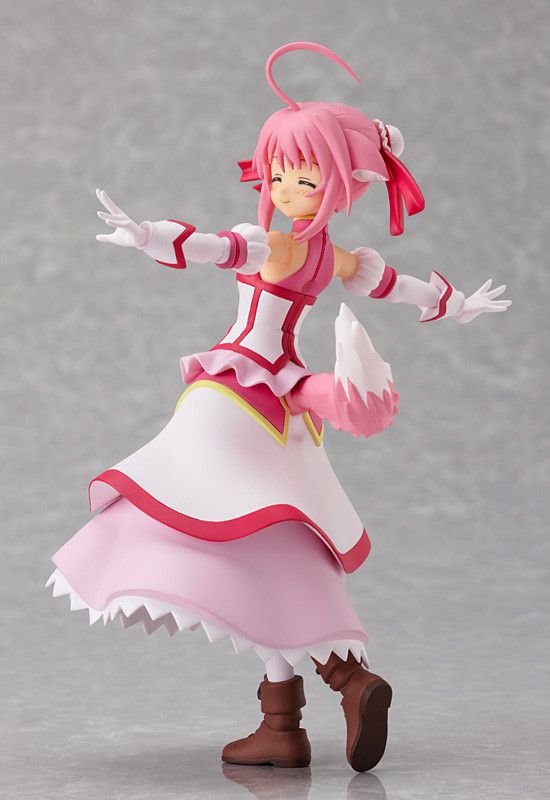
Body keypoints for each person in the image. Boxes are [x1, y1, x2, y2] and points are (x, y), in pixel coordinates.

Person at [47, 41, 510, 772]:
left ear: (340, 185)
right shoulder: (332, 257)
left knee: (181, 506)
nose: (289, 187)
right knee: (275, 544)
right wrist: (451, 304)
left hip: (234, 393)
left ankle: (321, 697)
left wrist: (149, 236)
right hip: (289, 402)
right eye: (281, 173)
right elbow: (392, 286)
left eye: (307, 176)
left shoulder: (282, 246)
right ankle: (291, 722)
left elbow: (216, 247)